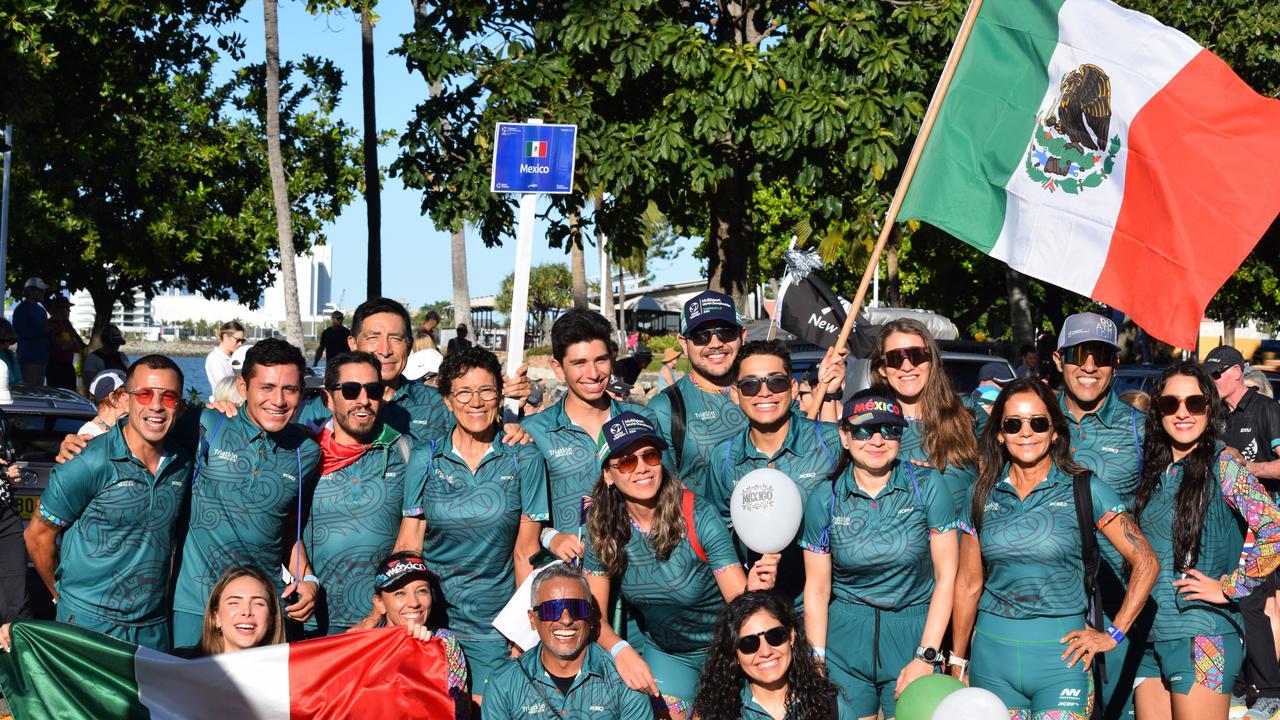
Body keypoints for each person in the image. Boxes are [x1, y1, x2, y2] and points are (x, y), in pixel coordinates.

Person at [950, 378, 1159, 719]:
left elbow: (1146, 561)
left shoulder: (1085, 488)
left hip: (1062, 659)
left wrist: (1113, 634)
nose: (1026, 433)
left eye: (1038, 422)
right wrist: (958, 660)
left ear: (1055, 431)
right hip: (991, 657)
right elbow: (969, 583)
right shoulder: (980, 494)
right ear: (1000, 434)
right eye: (1013, 424)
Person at [584, 411, 779, 718]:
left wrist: (751, 593)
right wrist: (621, 651)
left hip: (726, 649)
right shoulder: (602, 527)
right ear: (608, 474)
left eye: (650, 455)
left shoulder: (697, 515)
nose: (642, 469)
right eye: (626, 461)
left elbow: (738, 606)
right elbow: (594, 616)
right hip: (668, 653)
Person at [395, 346, 549, 705]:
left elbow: (526, 552)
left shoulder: (524, 456)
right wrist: (399, 615)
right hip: (432, 624)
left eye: (486, 391)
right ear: (447, 400)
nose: (476, 402)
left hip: (496, 629)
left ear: (500, 395)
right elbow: (409, 547)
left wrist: (523, 630)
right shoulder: (425, 458)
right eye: (463, 392)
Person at [801, 390, 956, 720]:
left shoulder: (928, 485)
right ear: (844, 437)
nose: (877, 439)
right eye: (863, 430)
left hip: (912, 630)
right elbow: (816, 588)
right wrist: (815, 658)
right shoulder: (824, 497)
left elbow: (946, 578)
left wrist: (926, 655)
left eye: (890, 429)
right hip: (845, 637)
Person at [1141, 360, 1280, 720]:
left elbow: (1274, 528)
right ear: (1159, 411)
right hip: (1151, 639)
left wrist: (1231, 587)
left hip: (1207, 637)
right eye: (1171, 404)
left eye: (1195, 403)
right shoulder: (1154, 471)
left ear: (1210, 407)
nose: (1183, 413)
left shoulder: (1224, 464)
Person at [24, 356, 195, 650]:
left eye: (168, 396)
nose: (155, 405)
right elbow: (38, 536)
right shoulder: (87, 460)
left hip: (152, 628)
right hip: (89, 624)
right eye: (144, 394)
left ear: (179, 405)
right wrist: (61, 595)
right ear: (126, 400)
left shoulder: (182, 462)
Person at [169, 339, 323, 647]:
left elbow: (288, 530)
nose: (278, 400)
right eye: (266, 387)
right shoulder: (206, 423)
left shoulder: (306, 452)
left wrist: (308, 580)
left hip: (262, 610)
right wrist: (80, 439)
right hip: (194, 604)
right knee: (187, 694)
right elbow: (141, 433)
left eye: (290, 390)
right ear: (243, 387)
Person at [1053, 311, 1149, 719]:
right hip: (1048, 603)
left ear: (1116, 364)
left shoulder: (1141, 429)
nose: (1089, 366)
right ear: (1059, 361)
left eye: (1101, 356)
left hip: (1118, 606)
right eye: (1079, 354)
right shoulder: (1032, 420)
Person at [705, 339, 843, 603]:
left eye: (776, 382)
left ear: (792, 389)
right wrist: (744, 589)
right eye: (750, 385)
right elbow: (720, 537)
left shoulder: (830, 443)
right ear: (735, 394)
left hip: (828, 602)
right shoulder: (724, 457)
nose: (764, 393)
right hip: (762, 604)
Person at [304, 351, 420, 635]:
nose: (363, 401)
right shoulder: (303, 454)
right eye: (351, 390)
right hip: (310, 622)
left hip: (383, 624)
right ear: (327, 399)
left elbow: (413, 538)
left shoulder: (406, 452)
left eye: (373, 390)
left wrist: (375, 616)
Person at [483, 563, 653, 720]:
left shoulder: (626, 680)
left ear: (591, 616)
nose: (566, 619)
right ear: (533, 619)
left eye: (577, 608)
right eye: (551, 609)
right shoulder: (504, 683)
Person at [869, 318, 979, 513]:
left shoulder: (968, 412)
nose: (907, 366)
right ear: (882, 369)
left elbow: (998, 476)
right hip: (898, 539)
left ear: (931, 360)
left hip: (964, 541)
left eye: (916, 355)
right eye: (895, 358)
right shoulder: (871, 424)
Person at [348, 552, 470, 716]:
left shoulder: (444, 642)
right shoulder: (363, 647)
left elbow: (459, 711)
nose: (414, 602)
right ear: (380, 603)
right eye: (400, 593)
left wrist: (426, 652)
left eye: (422, 591)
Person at [693, 591, 839, 720]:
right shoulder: (716, 713)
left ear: (792, 636)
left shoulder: (829, 706)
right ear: (734, 653)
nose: (766, 651)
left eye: (775, 636)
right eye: (749, 643)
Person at [171, 565, 286, 658]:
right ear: (216, 617)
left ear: (271, 619)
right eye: (234, 603)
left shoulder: (287, 674)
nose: (246, 612)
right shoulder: (179, 665)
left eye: (258, 603)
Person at [13, 277, 49, 386]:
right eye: (40, 290)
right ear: (31, 291)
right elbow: (19, 333)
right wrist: (42, 330)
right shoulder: (21, 309)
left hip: (41, 360)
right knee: (30, 393)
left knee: (39, 393)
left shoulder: (41, 310)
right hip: (28, 360)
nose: (43, 292)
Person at [44, 296, 83, 390]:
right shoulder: (51, 324)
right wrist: (71, 344)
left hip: (68, 366)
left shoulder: (67, 324)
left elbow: (79, 346)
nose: (69, 311)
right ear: (59, 309)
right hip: (55, 367)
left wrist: (71, 344)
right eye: (67, 308)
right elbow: (60, 345)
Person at [77, 369, 127, 438]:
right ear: (112, 398)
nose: (135, 395)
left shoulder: (125, 427)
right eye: (129, 392)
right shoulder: (89, 433)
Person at [80, 324, 128, 394]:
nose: (116, 347)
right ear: (105, 342)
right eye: (112, 344)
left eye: (117, 344)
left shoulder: (122, 357)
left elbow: (130, 375)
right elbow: (89, 383)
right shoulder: (93, 358)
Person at [205, 321, 245, 396]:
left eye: (242, 341)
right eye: (238, 340)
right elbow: (224, 387)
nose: (240, 344)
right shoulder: (214, 358)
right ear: (225, 337)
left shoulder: (233, 357)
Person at [0, 320, 19, 384]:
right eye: (1, 341)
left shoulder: (9, 355)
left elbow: (19, 380)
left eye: (9, 340)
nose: (6, 344)